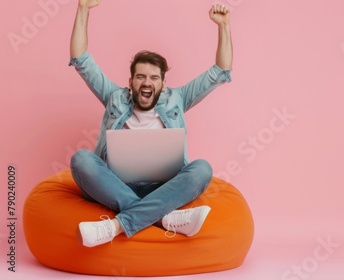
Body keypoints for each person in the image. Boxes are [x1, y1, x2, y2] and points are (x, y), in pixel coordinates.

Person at [68, 0, 233, 247]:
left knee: (202, 169)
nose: (147, 82)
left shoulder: (178, 98)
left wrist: (223, 26)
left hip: (165, 187)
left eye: (154, 78)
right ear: (131, 81)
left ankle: (115, 226)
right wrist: (82, 8)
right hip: (116, 186)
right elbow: (81, 60)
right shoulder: (114, 97)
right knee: (81, 159)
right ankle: (164, 217)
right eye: (141, 76)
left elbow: (221, 70)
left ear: (163, 84)